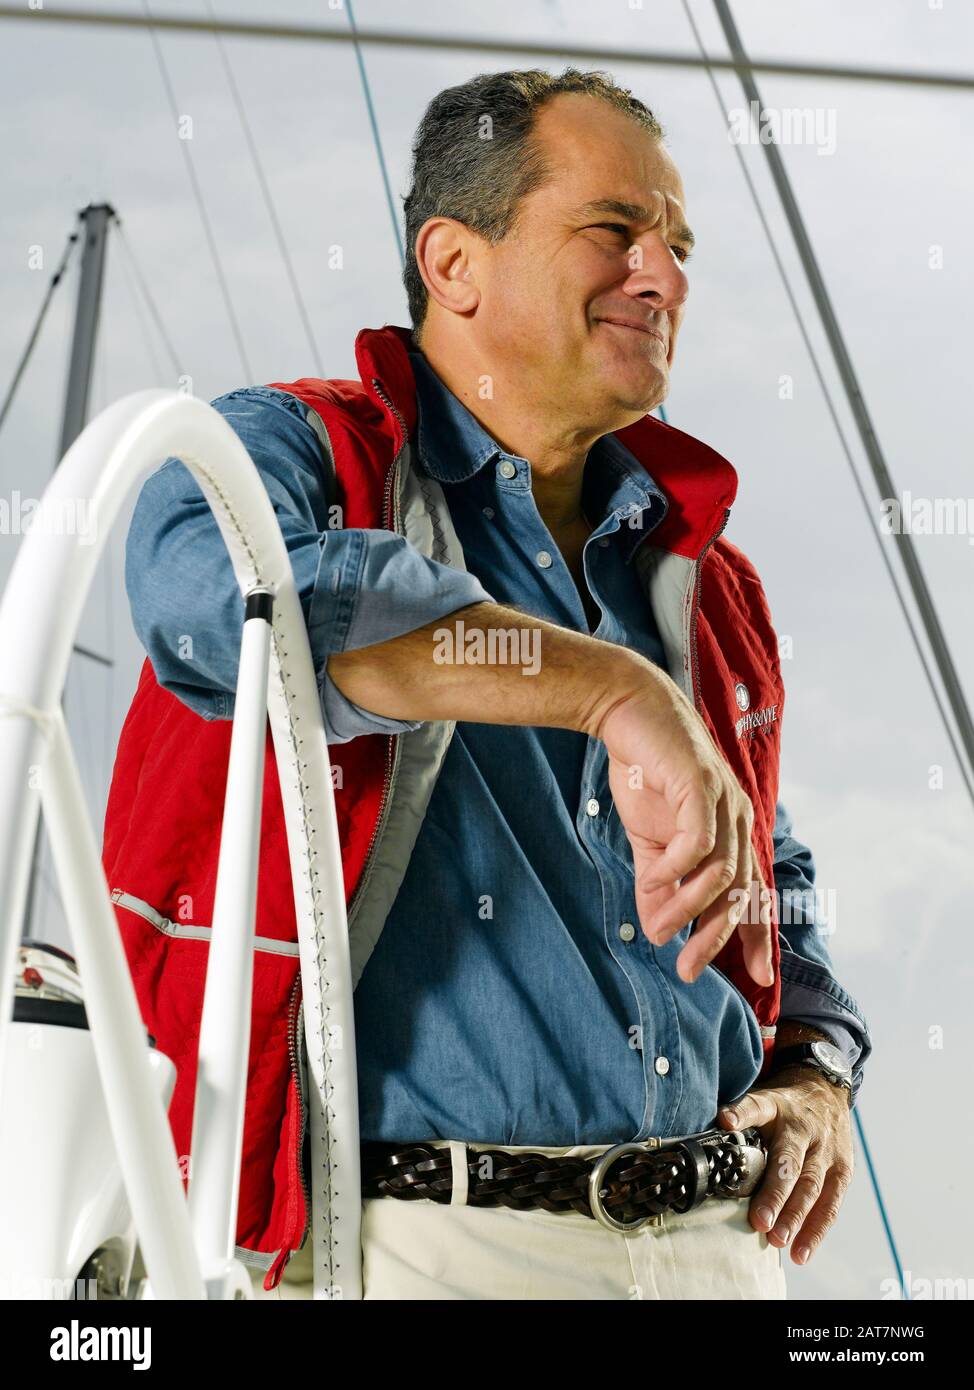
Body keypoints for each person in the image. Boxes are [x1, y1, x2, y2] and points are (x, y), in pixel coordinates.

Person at [105, 67, 871, 1300]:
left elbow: (765, 861)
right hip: (414, 1246)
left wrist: (817, 1062)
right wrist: (605, 689)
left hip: (721, 1250)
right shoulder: (295, 456)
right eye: (613, 232)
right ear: (453, 264)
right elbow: (212, 602)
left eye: (674, 245)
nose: (663, 276)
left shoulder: (700, 578)